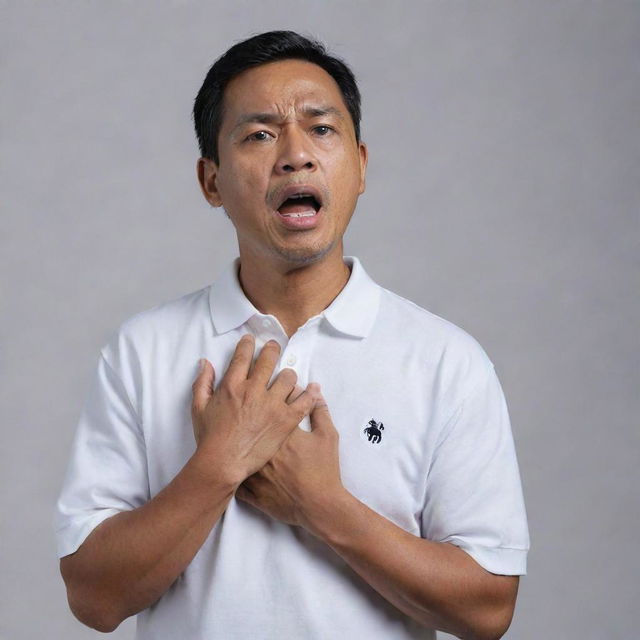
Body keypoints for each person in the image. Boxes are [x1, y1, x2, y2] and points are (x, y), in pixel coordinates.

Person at [55, 30, 530, 640]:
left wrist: (322, 505)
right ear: (211, 181)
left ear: (360, 167)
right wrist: (219, 466)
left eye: (321, 128)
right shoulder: (141, 351)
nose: (295, 155)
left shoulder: (446, 361)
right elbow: (93, 599)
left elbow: (487, 611)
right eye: (259, 134)